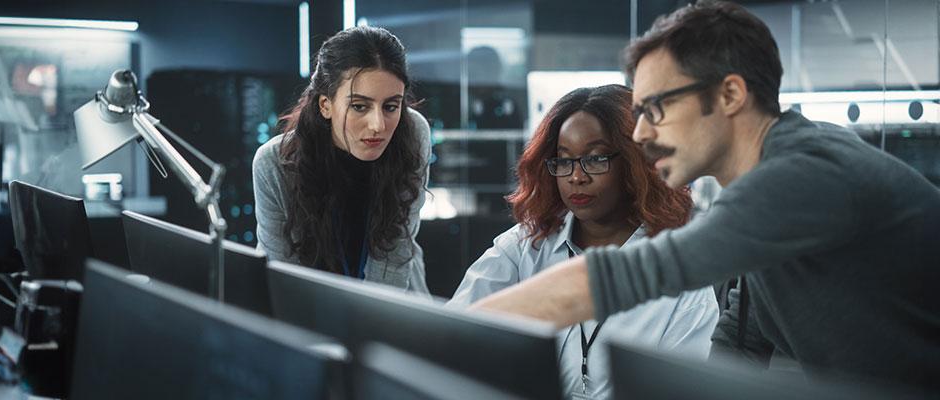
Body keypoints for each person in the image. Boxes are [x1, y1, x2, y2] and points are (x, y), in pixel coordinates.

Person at [471, 0, 940, 390]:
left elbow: (629, 275)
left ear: (731, 95)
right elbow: (738, 349)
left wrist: (451, 342)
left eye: (657, 108)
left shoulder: (805, 172)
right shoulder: (766, 202)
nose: (641, 134)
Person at [448, 85, 717, 400]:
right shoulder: (525, 247)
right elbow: (451, 338)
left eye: (595, 158)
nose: (576, 176)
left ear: (637, 163)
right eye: (563, 161)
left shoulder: (683, 282)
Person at [253, 26, 431, 293]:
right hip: (306, 306)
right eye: (359, 106)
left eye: (391, 106)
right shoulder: (274, 164)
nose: (378, 125)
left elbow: (394, 254)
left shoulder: (412, 133)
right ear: (325, 105)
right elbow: (283, 277)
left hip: (394, 302)